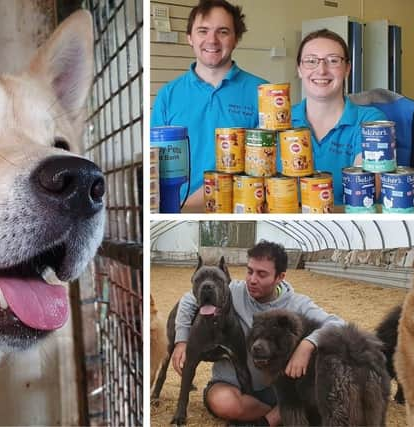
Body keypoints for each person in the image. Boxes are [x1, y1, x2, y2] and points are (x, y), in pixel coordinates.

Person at [172, 241, 344, 426]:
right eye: (250, 271)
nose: (252, 279)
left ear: (280, 277)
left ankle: (270, 419)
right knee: (223, 403)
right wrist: (181, 340)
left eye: (262, 274)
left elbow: (338, 324)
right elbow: (189, 299)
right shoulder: (233, 291)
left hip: (280, 388)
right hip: (234, 385)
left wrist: (307, 344)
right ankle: (284, 415)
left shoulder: (297, 304)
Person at [151, 0, 267, 209]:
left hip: (241, 208)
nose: (211, 40)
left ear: (236, 39)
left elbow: (265, 165)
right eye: (202, 31)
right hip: (176, 209)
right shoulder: (168, 95)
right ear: (190, 38)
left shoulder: (263, 92)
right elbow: (155, 165)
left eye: (222, 32)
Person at [290, 29, 387, 204]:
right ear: (299, 69)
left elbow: (363, 197)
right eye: (311, 61)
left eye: (333, 61)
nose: (321, 70)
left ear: (347, 69)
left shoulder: (371, 122)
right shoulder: (278, 121)